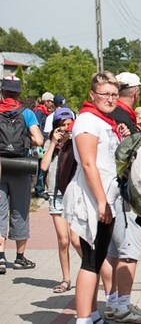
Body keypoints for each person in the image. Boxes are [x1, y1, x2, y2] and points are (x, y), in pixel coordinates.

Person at [63, 72, 122, 324]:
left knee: (97, 259)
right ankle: (84, 319)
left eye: (114, 94)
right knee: (90, 260)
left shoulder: (101, 120)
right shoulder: (88, 120)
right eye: (104, 94)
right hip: (92, 199)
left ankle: (93, 314)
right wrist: (101, 201)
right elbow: (88, 164)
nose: (110, 99)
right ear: (92, 95)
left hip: (104, 197)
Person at [100, 72, 141, 323]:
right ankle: (123, 305)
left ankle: (112, 302)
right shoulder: (124, 118)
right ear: (136, 92)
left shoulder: (106, 114)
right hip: (124, 194)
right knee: (128, 251)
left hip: (107, 192)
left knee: (111, 250)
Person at [0, 75, 44, 274]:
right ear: (18, 93)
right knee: (20, 211)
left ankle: (0, 257)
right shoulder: (26, 113)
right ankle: (19, 258)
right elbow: (39, 139)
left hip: (0, 166)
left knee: (0, 212)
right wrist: (27, 142)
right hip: (20, 166)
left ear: (2, 92)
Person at [39, 107, 81, 293]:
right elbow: (44, 166)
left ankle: (93, 268)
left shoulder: (76, 143)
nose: (65, 129)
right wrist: (53, 143)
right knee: (63, 240)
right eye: (61, 126)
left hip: (74, 194)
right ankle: (66, 279)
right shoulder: (53, 146)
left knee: (76, 240)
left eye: (68, 125)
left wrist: (73, 140)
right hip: (56, 195)